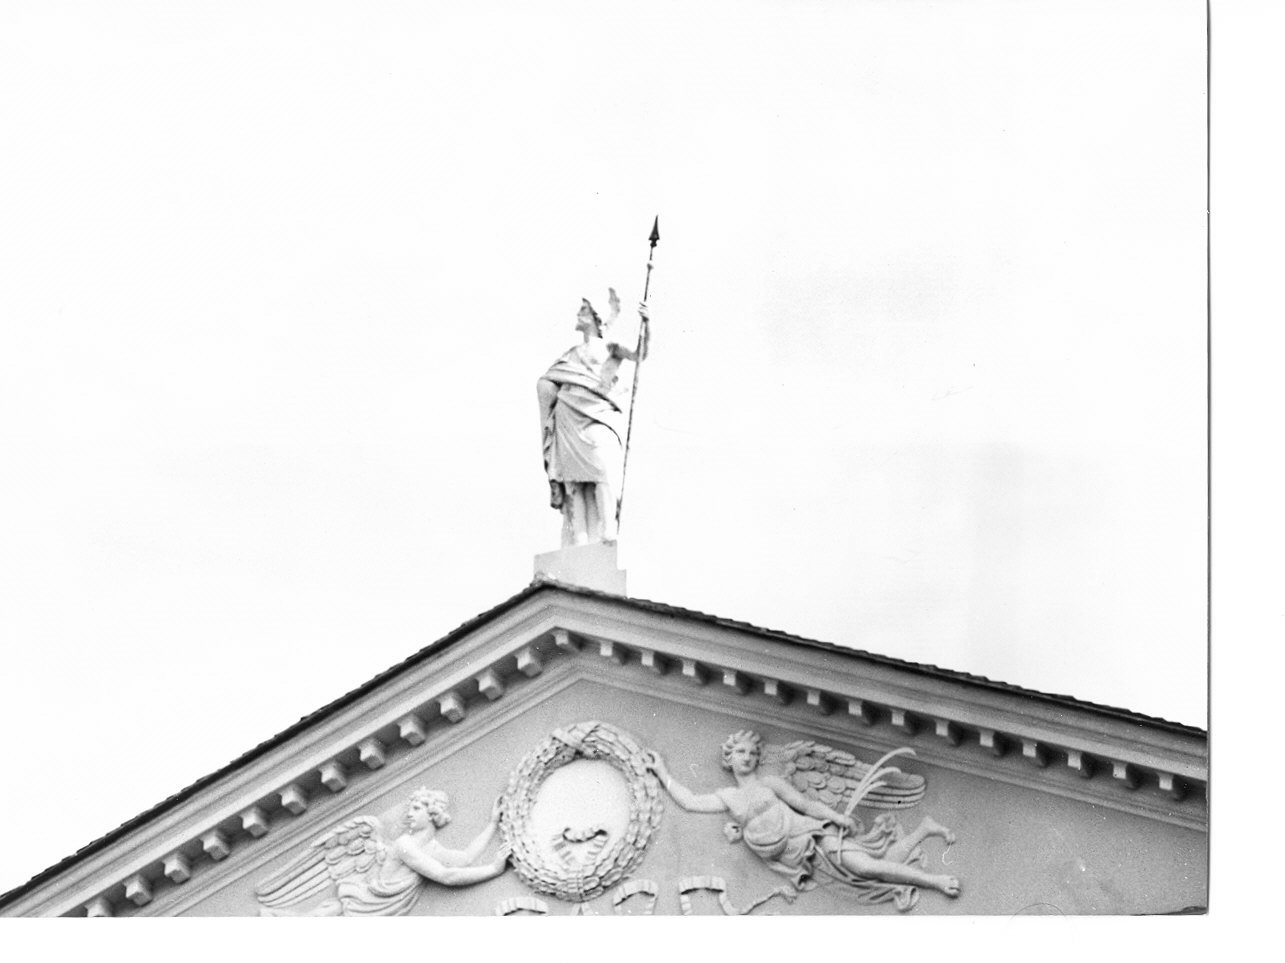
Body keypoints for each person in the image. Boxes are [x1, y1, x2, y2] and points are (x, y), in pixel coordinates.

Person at [645, 731, 959, 910]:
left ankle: (936, 880)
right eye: (740, 752)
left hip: (811, 838)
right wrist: (662, 773)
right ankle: (922, 831)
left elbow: (806, 804)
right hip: (796, 861)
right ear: (729, 757)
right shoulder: (729, 797)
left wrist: (836, 816)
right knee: (867, 874)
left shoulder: (769, 784)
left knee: (865, 868)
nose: (747, 757)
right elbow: (690, 802)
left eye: (752, 753)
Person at [256, 789, 509, 916]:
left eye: (418, 808)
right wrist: (494, 869)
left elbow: (465, 859)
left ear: (433, 813)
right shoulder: (404, 844)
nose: (410, 813)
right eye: (411, 807)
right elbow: (446, 876)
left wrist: (492, 824)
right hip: (362, 910)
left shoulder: (432, 849)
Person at [537, 292, 649, 546]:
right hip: (567, 419)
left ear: (596, 317)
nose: (579, 313)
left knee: (602, 471)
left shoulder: (609, 346)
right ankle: (579, 540)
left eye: (584, 309)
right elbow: (547, 382)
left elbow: (639, 354)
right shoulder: (570, 354)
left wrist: (646, 323)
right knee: (574, 482)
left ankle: (609, 531)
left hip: (597, 417)